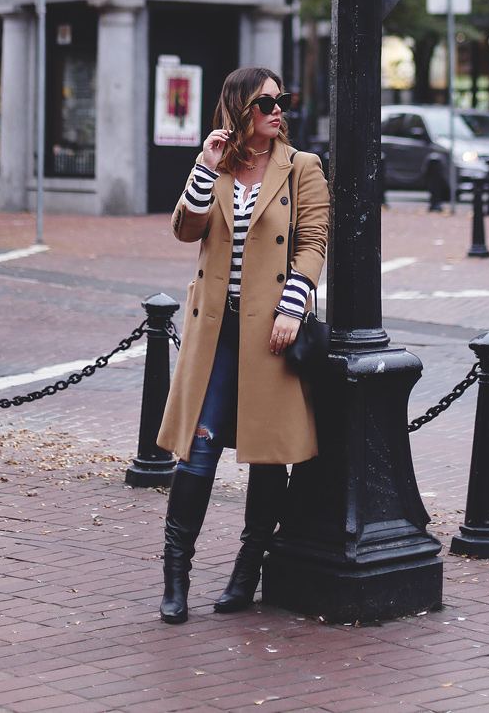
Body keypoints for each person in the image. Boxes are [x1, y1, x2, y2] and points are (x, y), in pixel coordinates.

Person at [156, 65, 330, 624]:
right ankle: (175, 575)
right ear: (239, 111)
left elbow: (312, 242)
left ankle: (246, 570)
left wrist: (292, 306)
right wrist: (205, 166)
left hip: (270, 333)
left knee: (265, 454)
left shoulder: (302, 168)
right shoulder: (219, 167)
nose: (278, 110)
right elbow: (185, 230)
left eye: (283, 99)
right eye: (265, 103)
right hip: (215, 333)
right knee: (198, 449)